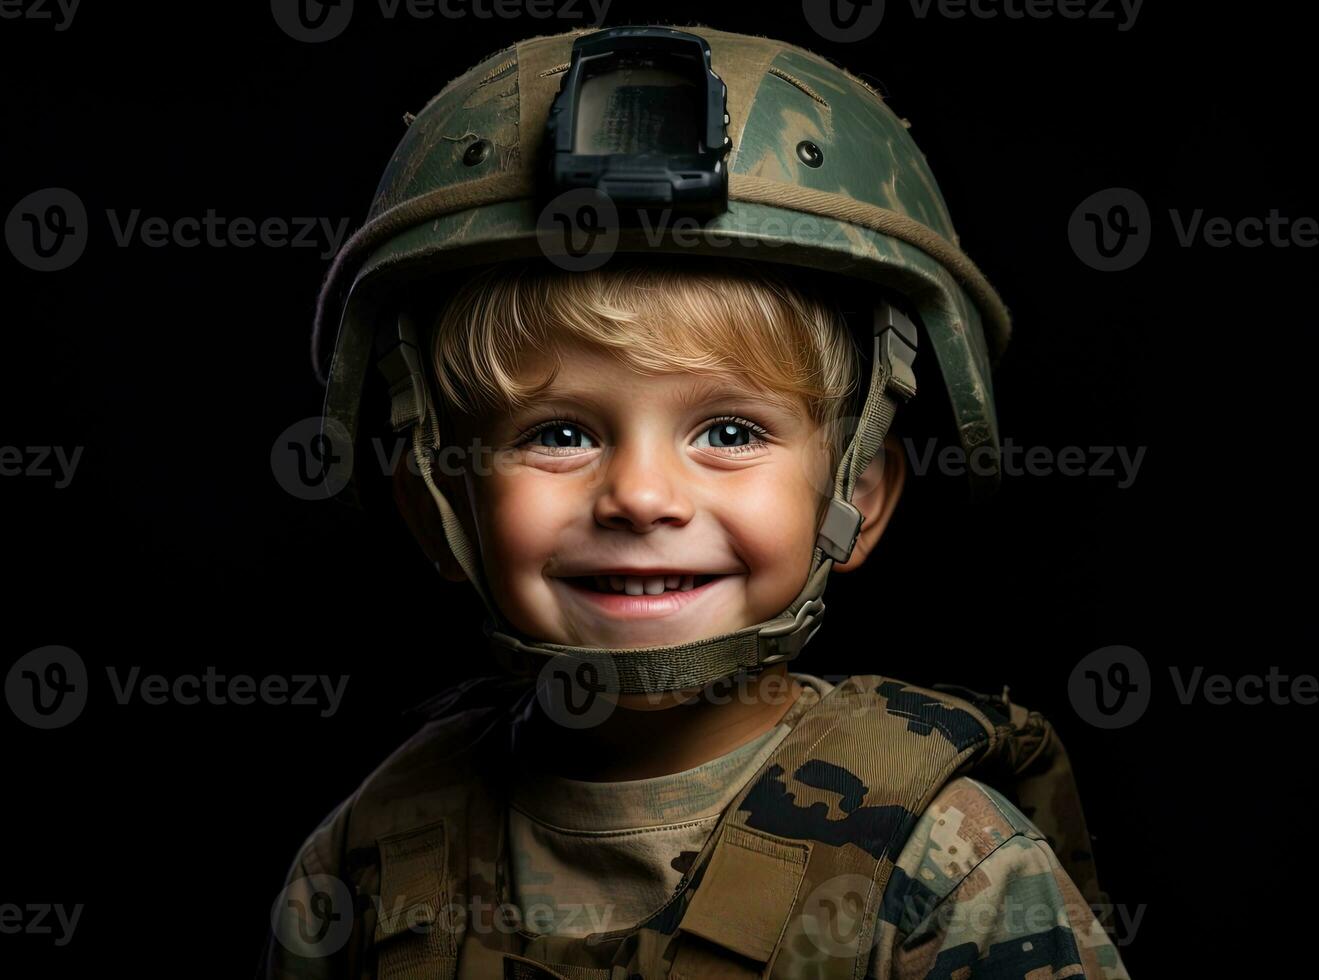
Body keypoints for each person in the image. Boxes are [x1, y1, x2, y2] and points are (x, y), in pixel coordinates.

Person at [268, 24, 1131, 979]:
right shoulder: (368, 861)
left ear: (862, 497)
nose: (640, 497)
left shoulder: (948, 867)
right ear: (437, 506)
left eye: (729, 432)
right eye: (559, 434)